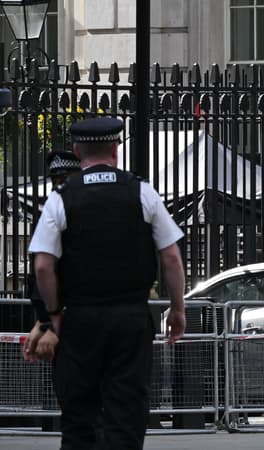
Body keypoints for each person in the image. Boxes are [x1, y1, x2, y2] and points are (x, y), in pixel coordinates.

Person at [28, 117, 186, 450]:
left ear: (76, 150)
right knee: (126, 414)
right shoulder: (141, 191)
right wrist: (177, 308)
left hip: (79, 318)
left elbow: (43, 265)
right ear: (116, 149)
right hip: (130, 316)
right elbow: (171, 257)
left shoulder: (62, 198)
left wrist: (52, 315)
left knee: (79, 416)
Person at [22, 150, 81, 363]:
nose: (59, 187)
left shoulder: (73, 212)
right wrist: (43, 320)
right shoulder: (53, 210)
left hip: (79, 316)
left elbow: (48, 268)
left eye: (64, 180)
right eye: (55, 181)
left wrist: (50, 322)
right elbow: (43, 270)